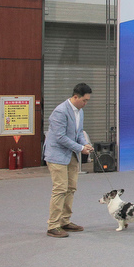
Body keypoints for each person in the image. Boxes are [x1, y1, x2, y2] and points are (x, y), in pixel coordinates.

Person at [43, 83, 94, 238]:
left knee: (71, 188)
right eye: (84, 100)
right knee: (60, 189)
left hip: (71, 155)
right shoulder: (60, 111)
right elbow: (60, 137)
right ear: (75, 97)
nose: (86, 103)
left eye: (87, 100)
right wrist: (80, 148)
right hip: (57, 155)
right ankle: (53, 225)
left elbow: (79, 133)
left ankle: (64, 221)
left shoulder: (80, 112)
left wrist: (85, 143)